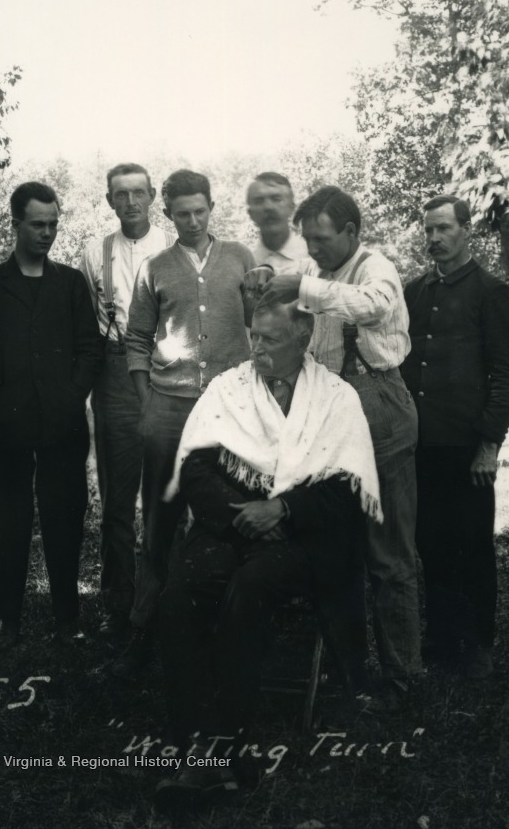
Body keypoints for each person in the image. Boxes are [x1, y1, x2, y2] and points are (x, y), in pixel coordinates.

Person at [154, 301, 380, 807]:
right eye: (253, 336)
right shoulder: (228, 389)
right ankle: (192, 736)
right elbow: (195, 469)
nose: (256, 347)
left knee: (249, 589)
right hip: (231, 523)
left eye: (270, 340)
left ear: (303, 341)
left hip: (303, 536)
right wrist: (246, 514)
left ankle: (227, 747)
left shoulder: (336, 399)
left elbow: (348, 488)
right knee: (180, 592)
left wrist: (283, 509)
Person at [246, 185, 422, 709]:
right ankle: (351, 671)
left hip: (381, 410)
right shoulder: (316, 273)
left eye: (321, 240)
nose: (314, 250)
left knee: (389, 555)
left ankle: (404, 677)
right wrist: (265, 289)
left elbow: (373, 308)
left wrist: (303, 284)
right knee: (336, 545)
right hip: (329, 414)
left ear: (351, 231)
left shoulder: (376, 268)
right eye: (308, 241)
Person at [0, 182, 102, 648]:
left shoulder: (71, 284)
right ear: (15, 224)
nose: (47, 233)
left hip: (62, 426)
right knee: (8, 522)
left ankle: (66, 619)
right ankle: (9, 621)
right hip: (6, 429)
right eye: (37, 224)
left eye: (54, 224)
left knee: (64, 518)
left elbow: (90, 349)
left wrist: (71, 395)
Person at [123, 169, 255, 661]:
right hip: (169, 407)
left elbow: (260, 322)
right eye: (183, 214)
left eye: (201, 211)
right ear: (169, 214)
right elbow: (136, 339)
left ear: (212, 207)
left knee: (229, 509)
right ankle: (146, 623)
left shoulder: (241, 258)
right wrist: (146, 400)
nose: (194, 220)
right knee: (160, 515)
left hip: (231, 409)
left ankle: (220, 624)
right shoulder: (155, 267)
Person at [401, 195, 509, 678]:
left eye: (443, 229)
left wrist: (489, 445)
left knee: (471, 545)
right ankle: (440, 643)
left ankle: (477, 649)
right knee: (429, 543)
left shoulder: (490, 292)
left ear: (465, 230)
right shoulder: (413, 291)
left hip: (468, 447)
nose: (434, 239)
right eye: (428, 230)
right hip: (421, 445)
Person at [80, 164, 173, 639]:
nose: (132, 201)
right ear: (110, 200)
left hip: (168, 371)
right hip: (115, 371)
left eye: (139, 192)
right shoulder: (96, 252)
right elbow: (86, 320)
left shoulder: (174, 250)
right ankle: (117, 601)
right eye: (122, 194)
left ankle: (168, 598)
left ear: (154, 196)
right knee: (118, 494)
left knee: (169, 489)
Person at [246, 171, 308, 271]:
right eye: (259, 200)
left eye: (277, 199)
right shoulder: (246, 265)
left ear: (291, 207)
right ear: (250, 213)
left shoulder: (314, 257)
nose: (268, 207)